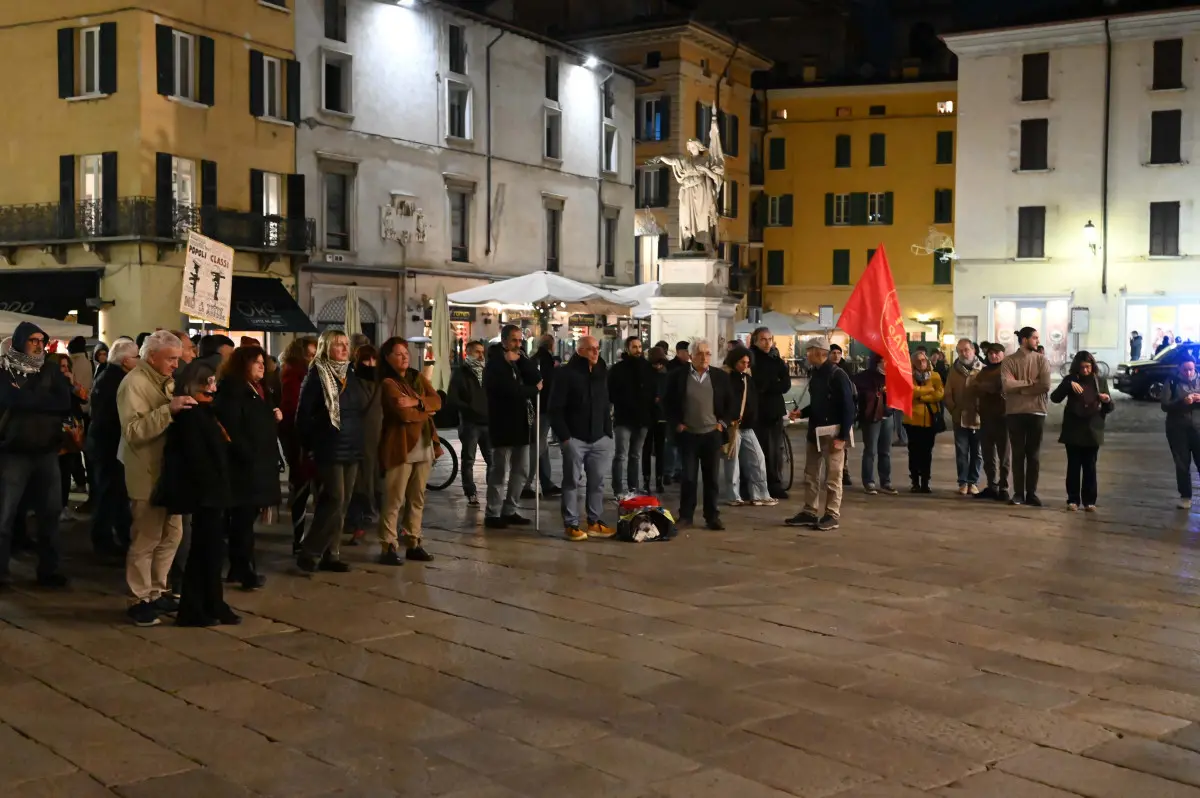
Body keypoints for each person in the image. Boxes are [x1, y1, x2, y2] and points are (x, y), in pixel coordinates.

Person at [151, 361, 240, 627]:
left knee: (212, 550)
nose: (214, 386)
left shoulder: (204, 410)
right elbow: (195, 456)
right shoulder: (190, 413)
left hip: (213, 491)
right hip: (204, 492)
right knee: (204, 550)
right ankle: (194, 608)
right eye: (209, 381)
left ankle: (213, 602)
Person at [118, 330, 193, 625]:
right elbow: (133, 432)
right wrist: (169, 411)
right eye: (171, 358)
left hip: (169, 473)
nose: (177, 364)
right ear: (152, 357)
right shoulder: (134, 383)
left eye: (178, 358)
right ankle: (138, 598)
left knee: (172, 534)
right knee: (146, 537)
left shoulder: (165, 381)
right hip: (146, 472)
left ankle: (158, 590)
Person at [0, 321, 73, 588]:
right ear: (20, 341)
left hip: (46, 451)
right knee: (4, 516)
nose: (38, 345)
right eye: (32, 340)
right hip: (13, 452)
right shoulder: (4, 369)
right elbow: (9, 399)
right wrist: (43, 401)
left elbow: (64, 403)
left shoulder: (51, 369)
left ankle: (48, 570)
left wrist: (28, 398)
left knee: (50, 514)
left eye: (41, 340)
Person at [294, 329, 366, 573]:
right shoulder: (316, 376)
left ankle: (331, 553)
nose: (345, 349)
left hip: (352, 445)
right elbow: (302, 416)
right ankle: (310, 550)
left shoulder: (351, 374)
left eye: (346, 345)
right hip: (329, 445)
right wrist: (310, 445)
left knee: (343, 502)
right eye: (338, 345)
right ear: (326, 348)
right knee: (333, 499)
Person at [213, 346, 282, 590]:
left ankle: (239, 566)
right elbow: (231, 428)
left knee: (246, 519)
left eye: (263, 362)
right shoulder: (233, 391)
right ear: (243, 364)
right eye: (256, 362)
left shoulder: (260, 389)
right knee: (242, 519)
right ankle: (244, 568)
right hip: (244, 465)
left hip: (258, 462)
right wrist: (249, 454)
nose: (262, 366)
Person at [376, 338, 440, 564]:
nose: (404, 357)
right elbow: (403, 416)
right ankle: (388, 545)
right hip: (400, 446)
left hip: (423, 445)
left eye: (406, 352)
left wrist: (415, 402)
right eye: (398, 353)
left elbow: (438, 400)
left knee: (417, 497)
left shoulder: (416, 377)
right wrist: (426, 410)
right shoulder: (387, 383)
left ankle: (413, 540)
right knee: (394, 498)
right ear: (388, 357)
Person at [548, 335, 616, 541]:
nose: (596, 352)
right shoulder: (566, 374)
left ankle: (594, 522)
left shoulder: (601, 372)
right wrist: (565, 437)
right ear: (580, 351)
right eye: (590, 349)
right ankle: (571, 523)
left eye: (597, 348)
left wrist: (607, 432)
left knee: (597, 482)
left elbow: (605, 403)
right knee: (571, 482)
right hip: (575, 438)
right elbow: (555, 408)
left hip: (599, 437)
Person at [784, 337, 855, 530]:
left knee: (833, 476)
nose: (806, 355)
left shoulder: (837, 375)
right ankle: (809, 511)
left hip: (832, 433)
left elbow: (849, 407)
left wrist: (842, 438)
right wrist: (803, 413)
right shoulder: (815, 374)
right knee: (811, 474)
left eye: (808, 352)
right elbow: (818, 403)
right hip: (814, 432)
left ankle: (832, 514)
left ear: (818, 352)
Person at [664, 338, 735, 530]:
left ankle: (712, 516)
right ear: (691, 356)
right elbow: (667, 403)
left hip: (712, 434)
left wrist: (722, 423)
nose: (704, 357)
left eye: (707, 353)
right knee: (688, 477)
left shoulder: (720, 377)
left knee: (711, 478)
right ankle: (686, 515)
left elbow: (730, 404)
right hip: (688, 435)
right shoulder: (678, 376)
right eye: (700, 353)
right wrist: (677, 424)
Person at [482, 324, 541, 529]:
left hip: (522, 424)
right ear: (504, 341)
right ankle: (493, 512)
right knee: (499, 470)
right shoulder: (494, 364)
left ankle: (510, 509)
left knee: (521, 470)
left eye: (520, 340)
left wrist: (523, 362)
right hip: (503, 423)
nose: (518, 344)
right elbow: (509, 391)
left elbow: (537, 378)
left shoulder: (520, 359)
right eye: (514, 340)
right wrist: (531, 390)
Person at [87, 338, 138, 556]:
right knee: (109, 493)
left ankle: (118, 536)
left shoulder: (108, 375)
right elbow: (115, 417)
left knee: (114, 493)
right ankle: (104, 541)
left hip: (104, 443)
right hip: (109, 445)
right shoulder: (116, 381)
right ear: (126, 360)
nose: (140, 360)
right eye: (137, 356)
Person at [1051, 351, 1113, 511]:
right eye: (1082, 368)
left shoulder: (1099, 381)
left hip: (1093, 429)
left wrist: (1107, 400)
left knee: (1090, 466)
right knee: (1073, 465)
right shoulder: (1071, 380)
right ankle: (1072, 499)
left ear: (1093, 366)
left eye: (1088, 367)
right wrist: (1068, 384)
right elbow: (1055, 397)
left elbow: (1109, 408)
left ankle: (1089, 501)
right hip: (1074, 429)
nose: (1085, 371)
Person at [1001, 326, 1052, 506]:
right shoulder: (1008, 361)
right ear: (1024, 339)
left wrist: (1019, 388)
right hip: (1015, 412)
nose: (1038, 341)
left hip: (1037, 411)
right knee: (1018, 454)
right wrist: (1031, 383)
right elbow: (1006, 385)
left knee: (1033, 455)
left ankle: (1031, 492)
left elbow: (1045, 385)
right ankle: (1018, 493)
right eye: (1035, 338)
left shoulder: (1041, 360)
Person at [720, 346, 774, 507]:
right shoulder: (727, 378)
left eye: (748, 363)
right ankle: (733, 495)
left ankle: (760, 494)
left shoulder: (746, 378)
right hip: (733, 426)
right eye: (742, 362)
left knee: (758, 458)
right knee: (733, 462)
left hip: (747, 426)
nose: (745, 365)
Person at [279, 336, 318, 553]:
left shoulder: (310, 374)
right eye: (310, 354)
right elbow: (293, 409)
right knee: (301, 488)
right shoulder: (293, 375)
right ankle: (299, 539)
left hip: (311, 440)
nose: (313, 358)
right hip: (299, 441)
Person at [608, 335, 656, 500]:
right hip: (624, 417)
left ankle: (633, 487)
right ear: (628, 348)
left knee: (635, 455)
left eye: (639, 347)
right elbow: (611, 391)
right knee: (621, 454)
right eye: (634, 347)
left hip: (642, 418)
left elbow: (653, 390)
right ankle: (618, 489)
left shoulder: (647, 367)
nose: (638, 350)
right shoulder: (618, 369)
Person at [748, 328, 793, 500]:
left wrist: (770, 385)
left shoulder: (776, 359)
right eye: (763, 339)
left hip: (775, 410)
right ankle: (758, 483)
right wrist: (773, 383)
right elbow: (758, 383)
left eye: (769, 339)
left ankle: (774, 482)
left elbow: (786, 384)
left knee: (775, 450)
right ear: (755, 341)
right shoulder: (751, 359)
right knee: (760, 450)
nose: (767, 343)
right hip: (759, 411)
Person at [447, 339, 491, 506]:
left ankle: (493, 490)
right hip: (470, 423)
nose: (481, 355)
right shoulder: (461, 372)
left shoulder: (487, 372)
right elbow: (452, 398)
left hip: (487, 422)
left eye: (482, 352)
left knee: (492, 460)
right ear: (469, 353)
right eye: (477, 352)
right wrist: (470, 408)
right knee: (469, 460)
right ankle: (470, 492)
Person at [348, 344, 382, 544]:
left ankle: (376, 520)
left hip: (378, 442)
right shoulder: (351, 383)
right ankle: (357, 524)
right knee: (358, 484)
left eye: (373, 360)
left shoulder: (383, 383)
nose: (370, 364)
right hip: (357, 441)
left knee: (378, 484)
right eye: (365, 360)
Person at [522, 333, 560, 499]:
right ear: (551, 345)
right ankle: (526, 484)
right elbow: (548, 385)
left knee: (541, 446)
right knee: (538, 445)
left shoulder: (534, 360)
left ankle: (546, 483)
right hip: (543, 408)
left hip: (539, 407)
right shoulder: (544, 362)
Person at [852, 353, 897, 495]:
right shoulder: (866, 376)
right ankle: (869, 482)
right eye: (884, 361)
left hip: (887, 416)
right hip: (872, 417)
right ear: (877, 362)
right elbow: (858, 391)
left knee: (885, 451)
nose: (886, 364)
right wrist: (876, 391)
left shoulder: (893, 376)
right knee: (870, 450)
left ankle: (886, 481)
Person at [944, 339, 983, 495]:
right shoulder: (954, 370)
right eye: (960, 351)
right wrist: (953, 409)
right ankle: (963, 481)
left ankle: (973, 481)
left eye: (966, 349)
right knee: (961, 451)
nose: (963, 353)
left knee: (977, 452)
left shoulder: (982, 369)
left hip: (978, 417)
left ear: (973, 350)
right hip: (959, 416)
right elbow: (947, 393)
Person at [903, 350, 945, 494]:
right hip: (912, 420)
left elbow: (939, 393)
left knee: (927, 452)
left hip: (929, 419)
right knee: (914, 451)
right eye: (918, 361)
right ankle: (915, 481)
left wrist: (922, 398)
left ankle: (925, 482)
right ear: (913, 363)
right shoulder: (908, 376)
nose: (922, 363)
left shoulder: (935, 376)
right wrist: (928, 389)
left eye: (923, 360)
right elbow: (910, 391)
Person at [973, 344, 1011, 501]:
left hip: (1003, 417)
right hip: (986, 417)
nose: (993, 356)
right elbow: (976, 388)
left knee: (1004, 455)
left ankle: (1004, 486)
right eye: (990, 354)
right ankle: (991, 485)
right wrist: (983, 387)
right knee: (988, 455)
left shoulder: (1006, 369)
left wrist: (983, 387)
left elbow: (998, 386)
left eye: (997, 353)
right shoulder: (984, 371)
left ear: (1003, 354)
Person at [1162, 357, 1200, 510]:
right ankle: (1185, 496)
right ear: (1179, 369)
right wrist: (1182, 401)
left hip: (1198, 428)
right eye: (1185, 370)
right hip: (1177, 429)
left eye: (1191, 369)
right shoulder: (1172, 381)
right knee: (1182, 464)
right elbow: (1165, 405)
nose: (1188, 373)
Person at [53, 353, 88, 511]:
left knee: (67, 468)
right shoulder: (48, 384)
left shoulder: (71, 383)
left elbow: (84, 398)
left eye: (67, 366)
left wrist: (73, 383)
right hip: (55, 431)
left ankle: (63, 505)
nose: (65, 369)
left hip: (72, 432)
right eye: (62, 366)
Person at [641, 346, 669, 493]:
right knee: (646, 449)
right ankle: (646, 479)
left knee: (660, 450)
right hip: (647, 415)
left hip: (662, 416)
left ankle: (659, 479)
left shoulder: (666, 373)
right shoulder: (645, 373)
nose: (658, 365)